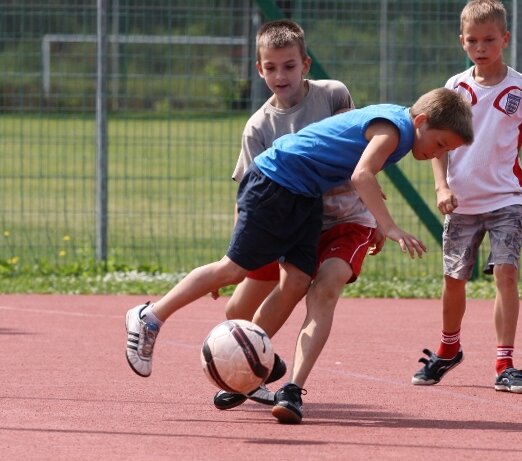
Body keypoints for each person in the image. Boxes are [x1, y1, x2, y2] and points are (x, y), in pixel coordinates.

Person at [124, 86, 475, 415]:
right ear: (421, 121)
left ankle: (256, 368)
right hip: (276, 180)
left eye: (445, 151)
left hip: (305, 196)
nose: (437, 154)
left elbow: (349, 152)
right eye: (440, 144)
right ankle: (150, 316)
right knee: (233, 270)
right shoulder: (394, 130)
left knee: (296, 281)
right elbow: (361, 175)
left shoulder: (397, 126)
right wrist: (389, 226)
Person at [210, 19, 386, 419]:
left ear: (305, 64)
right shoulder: (258, 127)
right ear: (259, 69)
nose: (281, 75)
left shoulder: (334, 95)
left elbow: (362, 153)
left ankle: (291, 389)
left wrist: (377, 215)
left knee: (323, 290)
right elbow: (248, 194)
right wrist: (236, 255)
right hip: (286, 223)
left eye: (289, 65)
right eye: (271, 67)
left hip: (344, 220)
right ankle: (254, 367)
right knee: (235, 314)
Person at [411, 0, 522, 394]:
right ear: (462, 41)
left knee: (506, 273)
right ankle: (448, 349)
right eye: (472, 40)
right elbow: (436, 144)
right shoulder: (455, 87)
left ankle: (505, 364)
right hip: (462, 202)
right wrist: (441, 187)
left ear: (504, 39)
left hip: (507, 199)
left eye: (489, 39)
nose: (481, 47)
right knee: (453, 279)